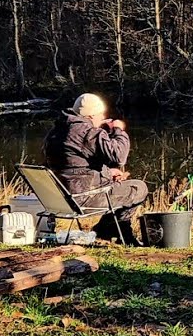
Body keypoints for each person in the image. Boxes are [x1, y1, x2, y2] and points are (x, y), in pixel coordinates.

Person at [43, 93, 148, 245]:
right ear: (92, 115)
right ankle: (114, 231)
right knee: (138, 188)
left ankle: (108, 231)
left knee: (122, 186)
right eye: (101, 114)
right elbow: (119, 156)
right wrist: (118, 130)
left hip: (60, 198)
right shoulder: (87, 132)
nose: (103, 118)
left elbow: (72, 166)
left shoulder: (56, 131)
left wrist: (107, 173)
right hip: (83, 199)